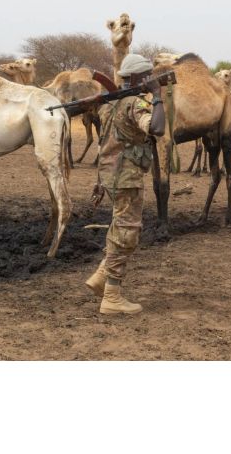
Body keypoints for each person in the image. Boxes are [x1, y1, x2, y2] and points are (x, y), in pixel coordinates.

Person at [85, 54, 165, 315]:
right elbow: (157, 128)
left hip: (111, 175)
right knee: (127, 232)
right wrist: (158, 96)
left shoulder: (110, 103)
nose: (150, 80)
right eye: (147, 76)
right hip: (126, 178)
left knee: (119, 227)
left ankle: (100, 277)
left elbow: (107, 142)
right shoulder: (134, 104)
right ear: (136, 78)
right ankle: (112, 296)